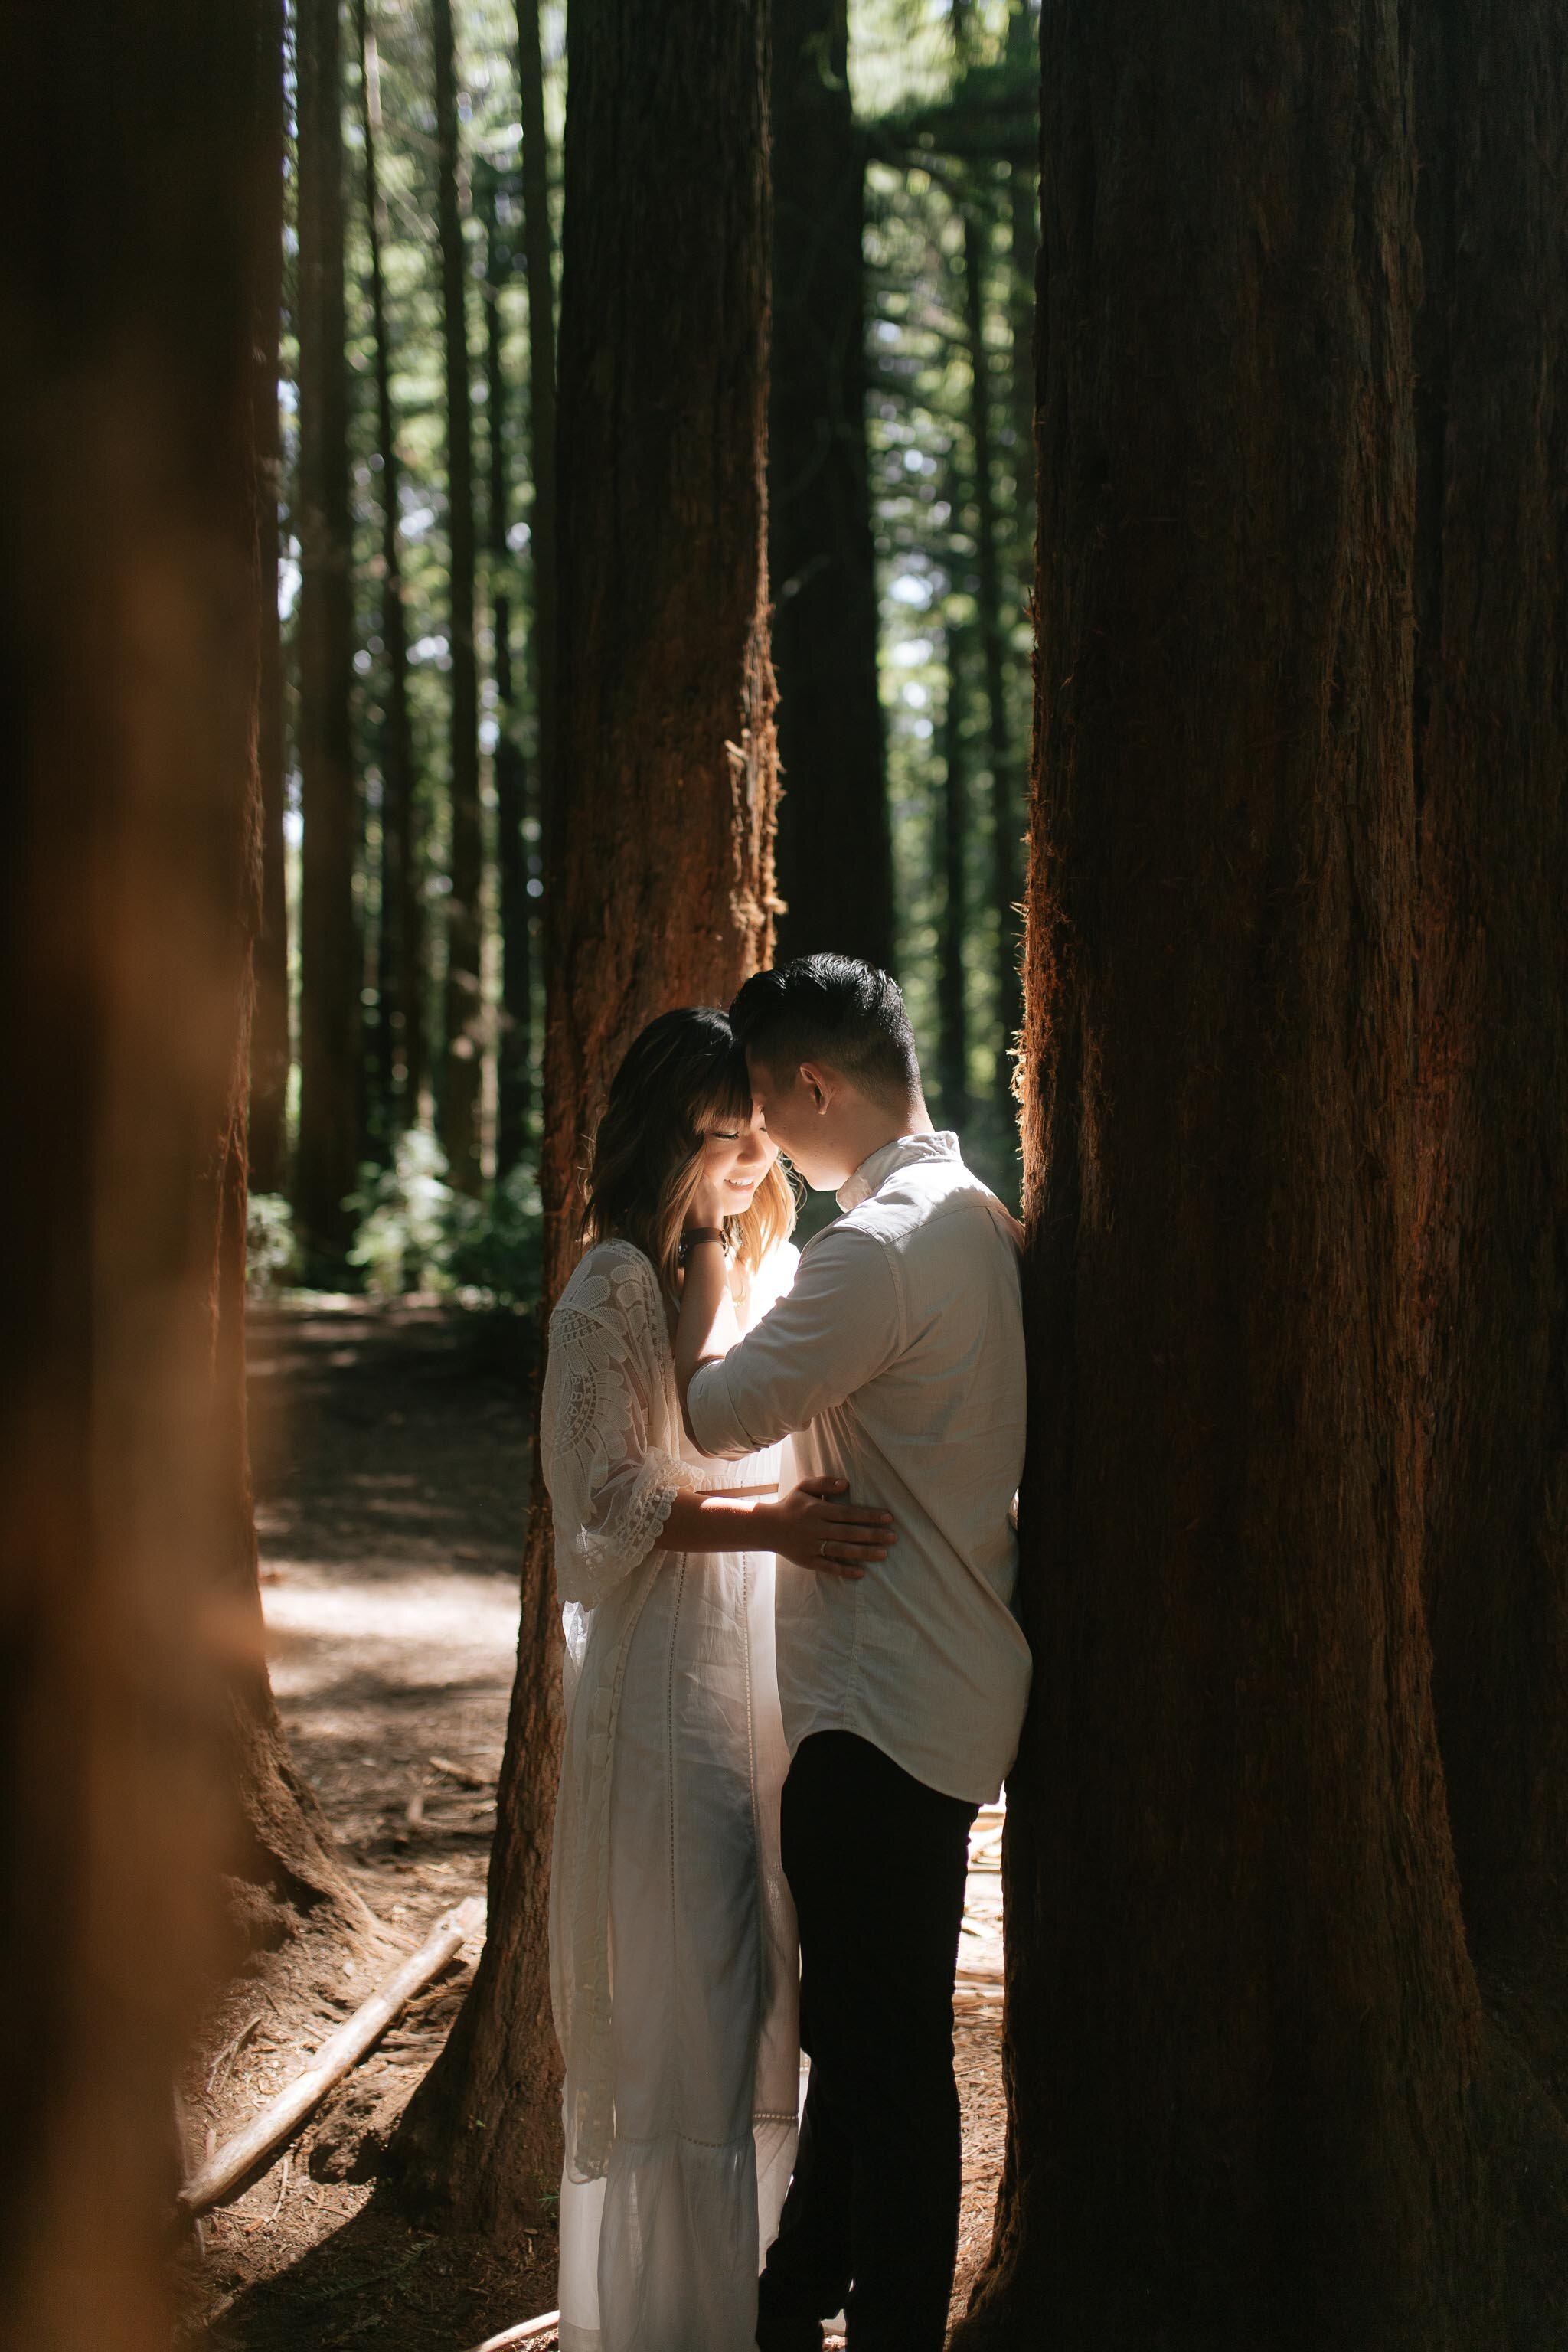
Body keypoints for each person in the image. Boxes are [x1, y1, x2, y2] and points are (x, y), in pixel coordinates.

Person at [674, 956, 1031, 2352]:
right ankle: (795, 2291)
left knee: (888, 2060)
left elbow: (713, 1412)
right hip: (936, 1680)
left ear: (815, 1086)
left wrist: (702, 1238)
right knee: (865, 2030)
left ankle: (889, 2331)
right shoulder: (972, 1214)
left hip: (878, 1702)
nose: (764, 1144)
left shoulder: (873, 1248)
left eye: (768, 1107)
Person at [541, 1006, 897, 2352]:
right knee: (688, 2006)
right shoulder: (611, 1290)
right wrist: (777, 1528)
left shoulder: (748, 1264)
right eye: (720, 1139)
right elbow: (606, 1505)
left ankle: (748, 2304)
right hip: (662, 1677)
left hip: (750, 1677)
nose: (752, 1160)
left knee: (754, 1993)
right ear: (657, 1137)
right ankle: (665, 2323)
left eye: (759, 1133)